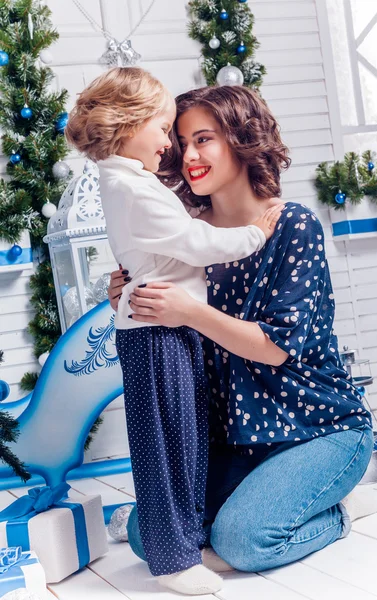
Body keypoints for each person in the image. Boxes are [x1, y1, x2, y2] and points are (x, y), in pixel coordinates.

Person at [109, 84, 375, 576]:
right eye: (180, 140)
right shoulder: (184, 234)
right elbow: (159, 314)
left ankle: (336, 514)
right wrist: (130, 295)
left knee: (243, 543)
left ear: (240, 139)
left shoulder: (292, 224)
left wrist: (187, 311)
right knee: (153, 537)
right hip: (236, 439)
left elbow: (274, 348)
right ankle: (267, 504)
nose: (188, 154)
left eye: (203, 139)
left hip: (317, 429)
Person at [65, 67, 283, 595]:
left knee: (179, 443)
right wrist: (255, 235)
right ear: (129, 122)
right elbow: (193, 243)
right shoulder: (131, 186)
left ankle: (177, 546)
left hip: (165, 328)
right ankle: (173, 557)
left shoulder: (132, 183)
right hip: (156, 333)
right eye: (167, 131)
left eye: (188, 137)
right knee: (167, 448)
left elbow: (166, 244)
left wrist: (136, 275)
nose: (171, 147)